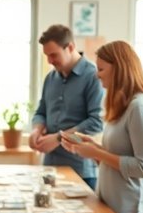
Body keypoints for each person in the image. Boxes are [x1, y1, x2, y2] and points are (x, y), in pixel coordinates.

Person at [60, 40, 143, 213]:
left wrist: (96, 154)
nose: (97, 74)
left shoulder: (140, 108)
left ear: (119, 69)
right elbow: (120, 154)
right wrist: (93, 147)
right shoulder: (124, 106)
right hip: (116, 207)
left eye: (101, 69)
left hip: (134, 212)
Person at [29, 24, 104, 189]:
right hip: (49, 168)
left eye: (54, 55)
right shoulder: (50, 78)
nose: (49, 61)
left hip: (81, 170)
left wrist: (59, 138)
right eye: (47, 56)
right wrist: (36, 129)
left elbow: (96, 124)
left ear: (70, 47)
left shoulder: (93, 76)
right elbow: (41, 112)